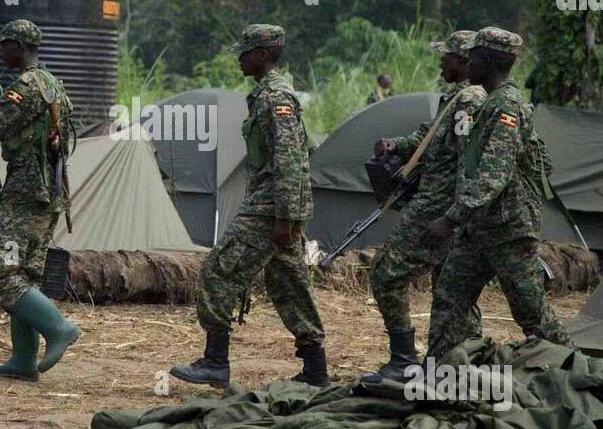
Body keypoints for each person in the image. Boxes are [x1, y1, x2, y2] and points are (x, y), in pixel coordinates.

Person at [171, 24, 328, 388]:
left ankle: (215, 362)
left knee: (217, 271)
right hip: (275, 202)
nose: (239, 57)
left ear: (262, 54)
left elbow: (291, 159)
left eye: (244, 51)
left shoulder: (276, 99)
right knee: (289, 283)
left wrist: (285, 217)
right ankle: (316, 370)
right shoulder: (268, 95)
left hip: (272, 205)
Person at [420, 27, 571, 360]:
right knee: (450, 297)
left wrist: (448, 219)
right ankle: (439, 371)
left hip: (509, 230)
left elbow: (493, 176)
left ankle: (572, 366)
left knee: (530, 311)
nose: (466, 61)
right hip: (481, 226)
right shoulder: (491, 103)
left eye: (472, 55)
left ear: (486, 60)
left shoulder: (508, 108)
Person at [360, 30, 485, 386]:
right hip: (447, 208)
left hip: (438, 206)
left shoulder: (470, 102)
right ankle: (462, 360)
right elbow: (429, 138)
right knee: (451, 288)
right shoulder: (456, 98)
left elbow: (470, 160)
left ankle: (403, 359)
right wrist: (395, 145)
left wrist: (453, 215)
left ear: (463, 61)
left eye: (445, 55)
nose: (439, 60)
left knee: (386, 274)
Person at [0, 20, 80, 381]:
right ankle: (24, 359)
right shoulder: (54, 84)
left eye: (5, 46)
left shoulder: (27, 87)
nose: (1, 52)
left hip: (25, 198)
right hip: (47, 198)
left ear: (20, 45)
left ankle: (59, 328)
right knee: (23, 273)